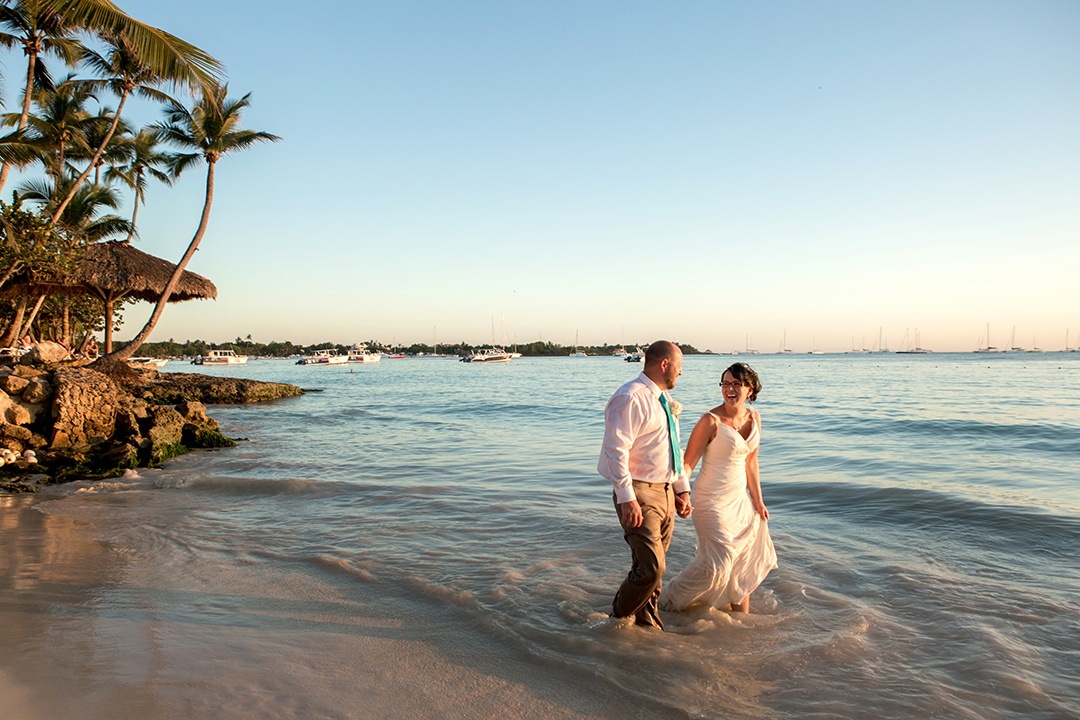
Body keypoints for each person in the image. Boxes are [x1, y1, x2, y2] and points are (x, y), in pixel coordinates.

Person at [660, 362, 776, 614]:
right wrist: (683, 493)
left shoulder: (755, 418)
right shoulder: (710, 421)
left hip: (740, 501)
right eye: (725, 383)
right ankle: (669, 600)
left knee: (741, 564)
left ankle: (741, 623)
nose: (729, 389)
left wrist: (758, 501)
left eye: (736, 384)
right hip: (710, 501)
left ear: (750, 390)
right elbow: (688, 463)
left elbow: (752, 464)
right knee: (717, 565)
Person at [598, 340, 693, 629]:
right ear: (664, 364)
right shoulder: (630, 396)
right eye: (679, 367)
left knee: (651, 569)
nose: (681, 373)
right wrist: (627, 498)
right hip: (638, 491)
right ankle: (615, 621)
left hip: (664, 491)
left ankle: (647, 624)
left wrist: (682, 489)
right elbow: (616, 450)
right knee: (653, 569)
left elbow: (671, 449)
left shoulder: (663, 401)